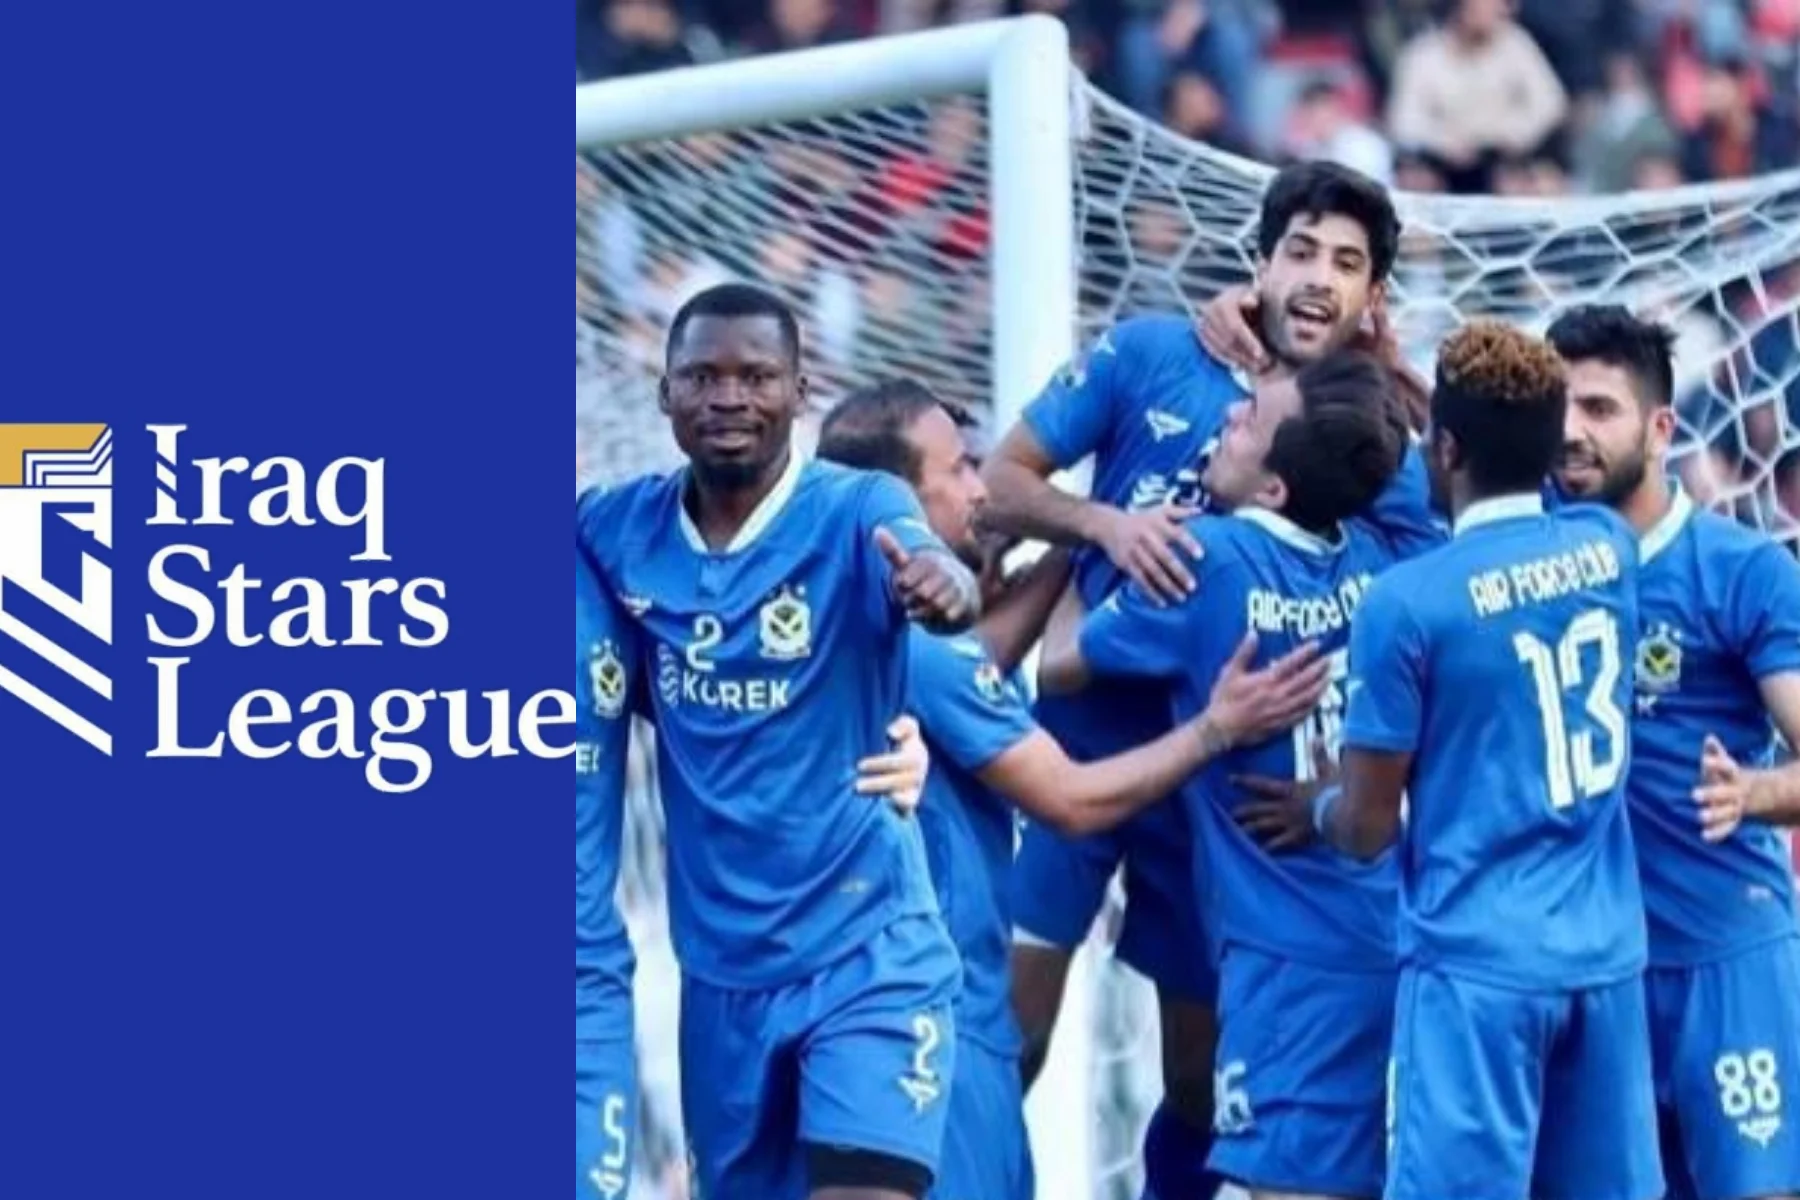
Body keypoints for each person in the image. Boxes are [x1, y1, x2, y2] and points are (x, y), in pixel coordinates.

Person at [978, 159, 1405, 1194]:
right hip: (1077, 743)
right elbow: (1001, 480)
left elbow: (1423, 588)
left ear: (1372, 296)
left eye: (1346, 263)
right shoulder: (1152, 354)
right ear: (1258, 263)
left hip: (1224, 794)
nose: (1318, 277)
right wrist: (1104, 525)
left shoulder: (1368, 424)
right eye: (1300, 251)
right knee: (1007, 1037)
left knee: (1201, 1087)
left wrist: (1355, 779)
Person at [815, 378, 1333, 1200]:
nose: (981, 488)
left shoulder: (859, 625)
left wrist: (1078, 544)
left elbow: (981, 661)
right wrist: (1217, 727)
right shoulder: (920, 653)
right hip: (937, 1019)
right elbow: (1071, 800)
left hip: (903, 1009)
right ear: (894, 503)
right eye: (958, 470)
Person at [575, 282, 982, 1200]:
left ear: (799, 391)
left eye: (757, 376)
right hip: (722, 977)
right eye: (702, 376)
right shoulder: (616, 529)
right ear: (664, 393)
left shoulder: (858, 508)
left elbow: (934, 564)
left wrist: (945, 585)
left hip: (869, 950)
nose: (729, 397)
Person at [1036, 350, 1407, 1200]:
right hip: (1386, 926)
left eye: (1248, 422)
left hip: (1284, 957)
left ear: (1274, 486)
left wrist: (1086, 541)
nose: (1228, 418)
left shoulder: (1209, 558)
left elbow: (1057, 665)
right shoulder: (1376, 563)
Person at [1317, 320, 1663, 1200]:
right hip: (1605, 962)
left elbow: (1365, 829)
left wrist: (1319, 805)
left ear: (1444, 448)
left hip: (1477, 970)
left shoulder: (1405, 603)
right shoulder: (1608, 548)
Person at [1548, 304, 1800, 1200]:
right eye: (1556, 407)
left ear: (1661, 429)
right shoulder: (1520, 559)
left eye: (1598, 409)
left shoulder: (1740, 571)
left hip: (1721, 955)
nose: (1570, 431)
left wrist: (1757, 793)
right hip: (1587, 970)